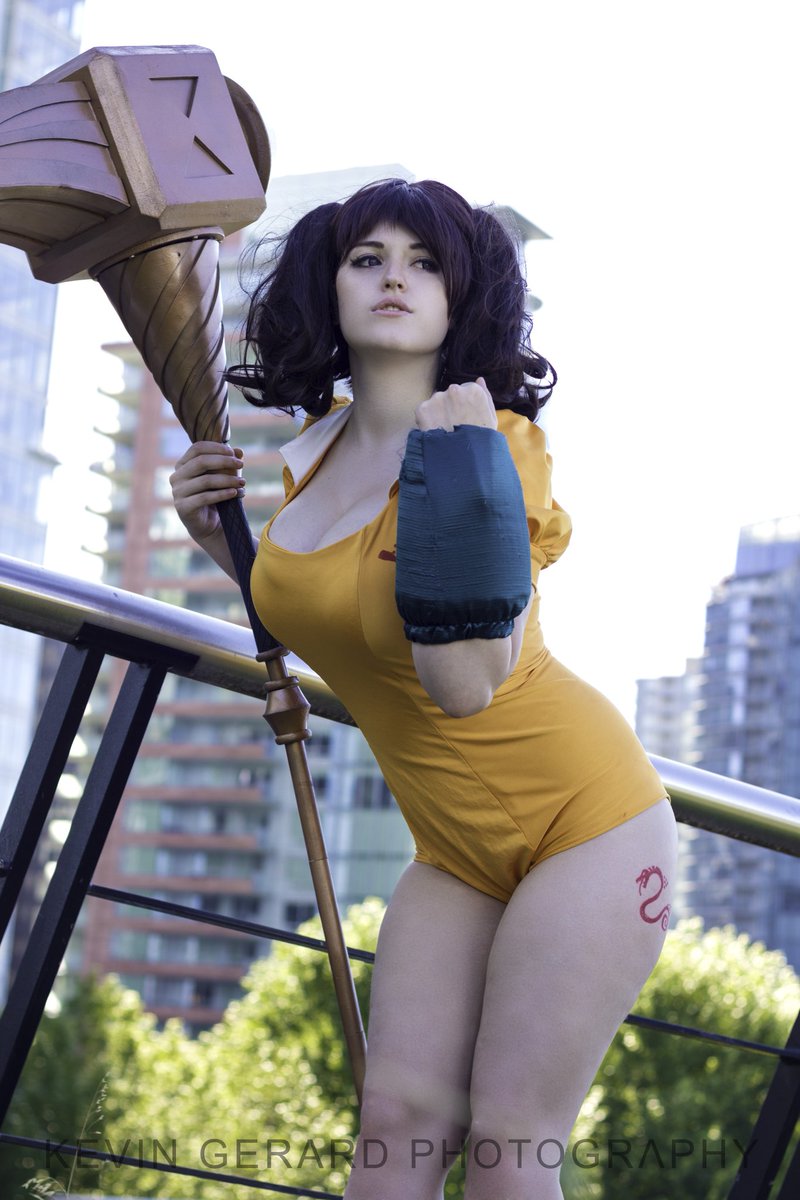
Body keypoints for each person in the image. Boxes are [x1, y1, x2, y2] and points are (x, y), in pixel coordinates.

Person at [170, 177, 678, 1200]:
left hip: (587, 823)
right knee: (395, 1127)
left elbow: (462, 685)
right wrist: (217, 540)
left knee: (508, 1141)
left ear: (461, 297)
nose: (394, 278)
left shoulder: (498, 448)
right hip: (452, 846)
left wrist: (455, 464)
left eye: (425, 262)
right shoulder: (314, 455)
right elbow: (342, 620)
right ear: (329, 286)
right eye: (367, 259)